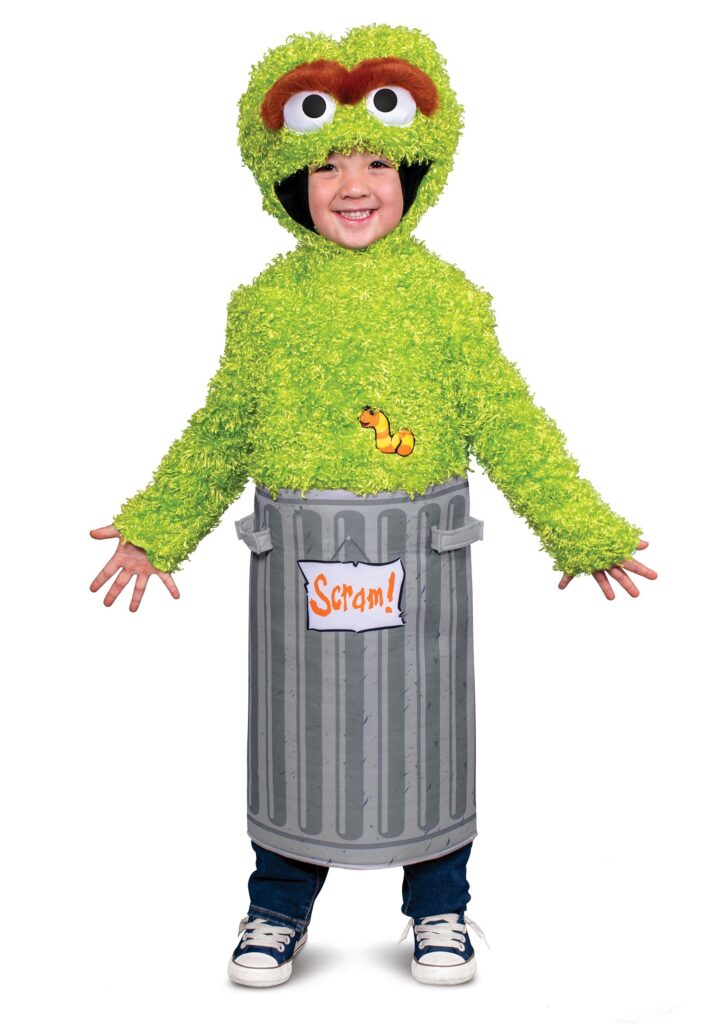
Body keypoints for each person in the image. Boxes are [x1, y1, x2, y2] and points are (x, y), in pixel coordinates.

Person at [89, 26, 657, 989]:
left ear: (417, 170)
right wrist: (156, 528)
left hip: (422, 560)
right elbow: (225, 428)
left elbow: (508, 420)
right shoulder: (266, 307)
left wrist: (580, 527)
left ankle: (439, 906)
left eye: (377, 163)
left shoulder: (447, 302)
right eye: (327, 165)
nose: (353, 185)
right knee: (296, 732)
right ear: (287, 178)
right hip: (294, 565)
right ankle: (277, 906)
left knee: (425, 734)